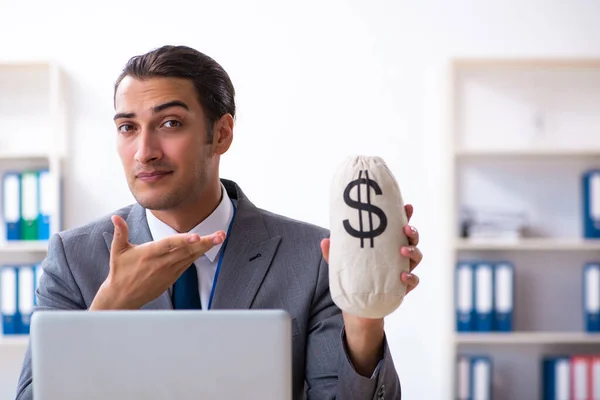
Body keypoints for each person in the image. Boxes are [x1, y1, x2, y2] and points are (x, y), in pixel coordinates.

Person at [15, 45, 423, 400]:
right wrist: (109, 308)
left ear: (222, 133)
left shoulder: (313, 258)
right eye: (128, 128)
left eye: (170, 123)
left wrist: (363, 323)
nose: (144, 151)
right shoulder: (73, 258)